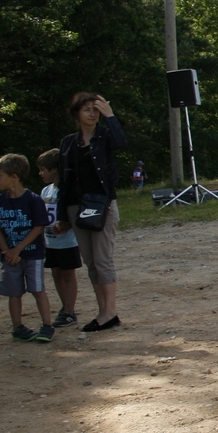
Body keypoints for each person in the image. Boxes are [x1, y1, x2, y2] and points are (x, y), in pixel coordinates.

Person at [55, 92, 125, 332]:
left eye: (96, 110)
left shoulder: (105, 136)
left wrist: (110, 116)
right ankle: (103, 310)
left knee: (103, 259)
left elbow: (121, 143)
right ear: (77, 113)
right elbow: (64, 180)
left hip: (102, 204)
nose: (92, 114)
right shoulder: (68, 143)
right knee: (91, 262)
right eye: (87, 110)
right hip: (77, 206)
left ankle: (110, 312)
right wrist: (62, 215)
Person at [0, 154, 54, 342]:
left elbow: (38, 227)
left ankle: (47, 325)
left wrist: (18, 248)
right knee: (14, 292)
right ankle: (17, 326)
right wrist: (7, 251)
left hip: (32, 254)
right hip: (10, 256)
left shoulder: (33, 200)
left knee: (37, 289)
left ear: (14, 177)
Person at [36, 150, 80, 328]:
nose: (40, 174)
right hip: (50, 241)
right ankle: (65, 307)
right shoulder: (46, 190)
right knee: (56, 273)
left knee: (68, 274)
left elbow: (74, 213)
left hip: (67, 241)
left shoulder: (67, 189)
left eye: (42, 169)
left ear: (54, 169)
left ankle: (69, 310)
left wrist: (66, 225)